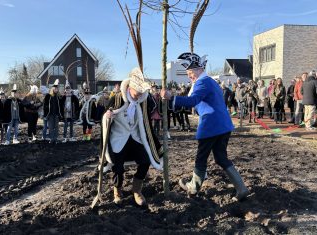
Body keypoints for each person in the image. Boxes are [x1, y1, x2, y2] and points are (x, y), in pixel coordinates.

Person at [161, 53, 249, 201]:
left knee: (201, 158)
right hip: (223, 125)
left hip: (211, 126)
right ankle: (241, 188)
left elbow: (192, 100)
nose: (189, 76)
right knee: (221, 157)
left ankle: (193, 188)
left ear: (198, 70)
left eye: (190, 73)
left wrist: (171, 97)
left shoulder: (202, 83)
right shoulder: (211, 82)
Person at [102, 67, 164, 206]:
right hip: (119, 138)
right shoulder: (116, 99)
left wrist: (164, 96)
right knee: (117, 165)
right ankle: (117, 190)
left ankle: (137, 190)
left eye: (142, 92)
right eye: (137, 92)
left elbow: (154, 107)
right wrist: (108, 117)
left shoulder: (144, 100)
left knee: (145, 160)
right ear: (129, 87)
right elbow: (105, 116)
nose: (139, 94)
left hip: (136, 137)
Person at [43, 79, 63, 144]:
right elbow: (44, 105)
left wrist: (60, 114)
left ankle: (55, 138)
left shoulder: (59, 97)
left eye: (57, 88)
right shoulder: (48, 96)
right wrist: (46, 113)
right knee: (51, 127)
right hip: (50, 114)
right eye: (55, 88)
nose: (56, 90)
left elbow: (61, 105)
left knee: (56, 127)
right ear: (53, 88)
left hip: (56, 114)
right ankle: (51, 138)